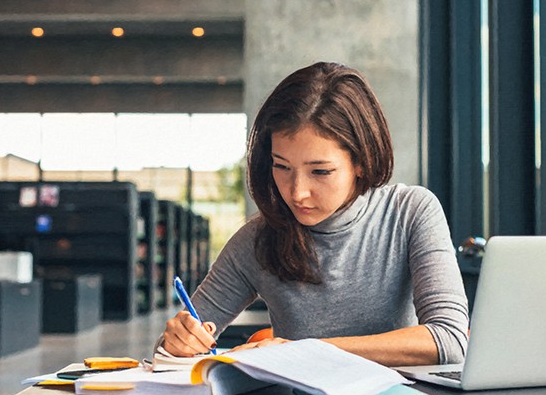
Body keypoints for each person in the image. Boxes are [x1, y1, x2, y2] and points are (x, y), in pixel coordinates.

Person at [161, 62, 469, 367]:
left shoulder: (410, 212)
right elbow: (165, 355)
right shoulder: (256, 240)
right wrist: (177, 342)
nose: (297, 192)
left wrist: (304, 350)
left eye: (320, 171)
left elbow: (450, 340)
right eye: (281, 167)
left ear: (361, 161)